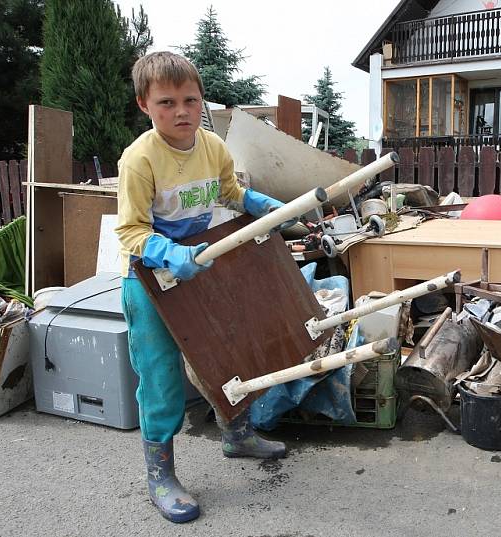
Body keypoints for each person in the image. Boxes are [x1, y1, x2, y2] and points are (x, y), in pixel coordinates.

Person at [115, 51, 290, 524]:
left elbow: (229, 192)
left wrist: (259, 203)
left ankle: (237, 434)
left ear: (201, 101)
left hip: (205, 270)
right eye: (166, 102)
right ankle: (161, 476)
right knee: (161, 378)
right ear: (144, 105)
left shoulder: (211, 146)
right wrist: (168, 253)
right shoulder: (139, 159)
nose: (181, 111)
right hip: (151, 281)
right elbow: (130, 230)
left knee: (230, 355)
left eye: (190, 100)